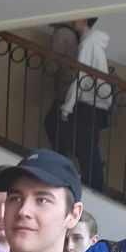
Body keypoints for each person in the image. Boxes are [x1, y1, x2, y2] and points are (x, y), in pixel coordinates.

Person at [59, 19, 113, 192]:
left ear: (84, 19)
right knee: (86, 146)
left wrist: (67, 107)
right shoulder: (92, 41)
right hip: (96, 101)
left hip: (91, 101)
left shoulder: (88, 43)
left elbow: (80, 77)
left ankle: (94, 187)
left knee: (86, 147)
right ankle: (90, 184)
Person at [43, 22, 80, 153]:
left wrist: (43, 89)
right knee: (58, 128)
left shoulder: (62, 33)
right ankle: (63, 158)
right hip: (68, 88)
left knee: (52, 125)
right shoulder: (71, 34)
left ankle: (63, 160)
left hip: (66, 89)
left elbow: (52, 64)